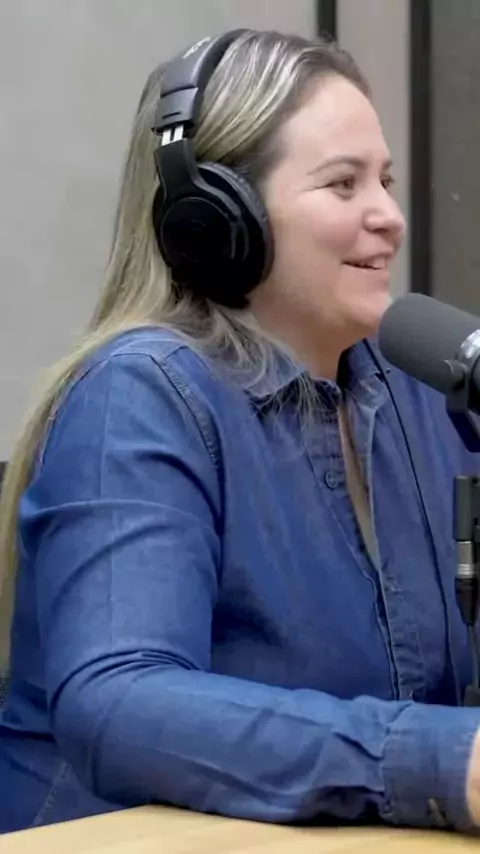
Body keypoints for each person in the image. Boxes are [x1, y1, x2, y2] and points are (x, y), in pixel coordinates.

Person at [0, 27, 480, 836]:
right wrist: (441, 761)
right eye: (344, 184)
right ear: (218, 220)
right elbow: (119, 700)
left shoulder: (421, 392)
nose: (390, 217)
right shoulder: (140, 395)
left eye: (386, 181)